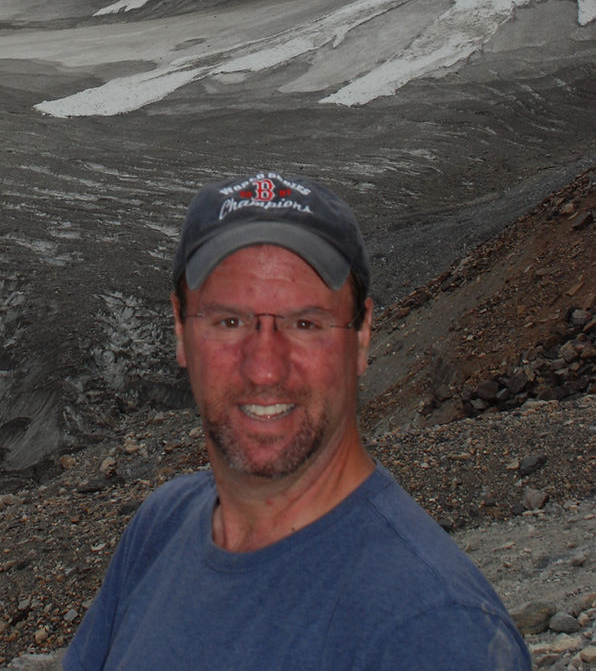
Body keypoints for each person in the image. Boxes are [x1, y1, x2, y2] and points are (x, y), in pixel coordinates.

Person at [63, 170, 530, 670]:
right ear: (180, 328)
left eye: (305, 324)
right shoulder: (161, 526)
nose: (265, 368)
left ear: (362, 335)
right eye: (229, 321)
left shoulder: (435, 633)